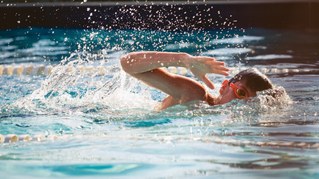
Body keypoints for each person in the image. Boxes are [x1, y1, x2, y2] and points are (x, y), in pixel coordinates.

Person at [120, 51, 273, 110]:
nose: (241, 105)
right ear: (224, 87)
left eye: (250, 102)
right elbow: (127, 63)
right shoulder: (196, 94)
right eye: (241, 93)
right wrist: (182, 60)